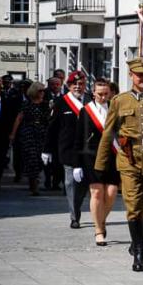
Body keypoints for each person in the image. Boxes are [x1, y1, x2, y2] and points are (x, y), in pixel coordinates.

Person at [95, 57, 143, 272]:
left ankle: (136, 241)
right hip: (129, 159)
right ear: (131, 76)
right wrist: (100, 165)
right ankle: (140, 252)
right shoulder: (120, 101)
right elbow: (108, 132)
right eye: (139, 75)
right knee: (133, 205)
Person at [73, 79, 120, 247]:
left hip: (112, 156)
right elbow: (78, 138)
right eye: (99, 94)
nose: (102, 97)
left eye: (106, 94)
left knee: (112, 192)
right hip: (91, 157)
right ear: (93, 93)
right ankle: (99, 230)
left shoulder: (116, 109)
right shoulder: (86, 111)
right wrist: (77, 164)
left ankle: (101, 220)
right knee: (97, 193)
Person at [44, 71, 91, 229]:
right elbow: (52, 127)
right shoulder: (61, 102)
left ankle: (76, 206)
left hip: (88, 150)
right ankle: (74, 216)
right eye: (74, 84)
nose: (78, 87)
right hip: (68, 149)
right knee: (70, 183)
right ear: (69, 86)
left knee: (82, 185)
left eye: (81, 84)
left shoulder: (91, 100)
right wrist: (47, 149)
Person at [10, 82, 50, 195]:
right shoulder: (26, 104)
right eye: (40, 91)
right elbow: (19, 119)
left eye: (43, 91)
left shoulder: (46, 104)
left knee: (40, 159)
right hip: (29, 133)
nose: (42, 93)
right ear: (34, 91)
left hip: (42, 133)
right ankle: (34, 185)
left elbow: (50, 120)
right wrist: (13, 134)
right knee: (31, 158)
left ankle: (36, 179)